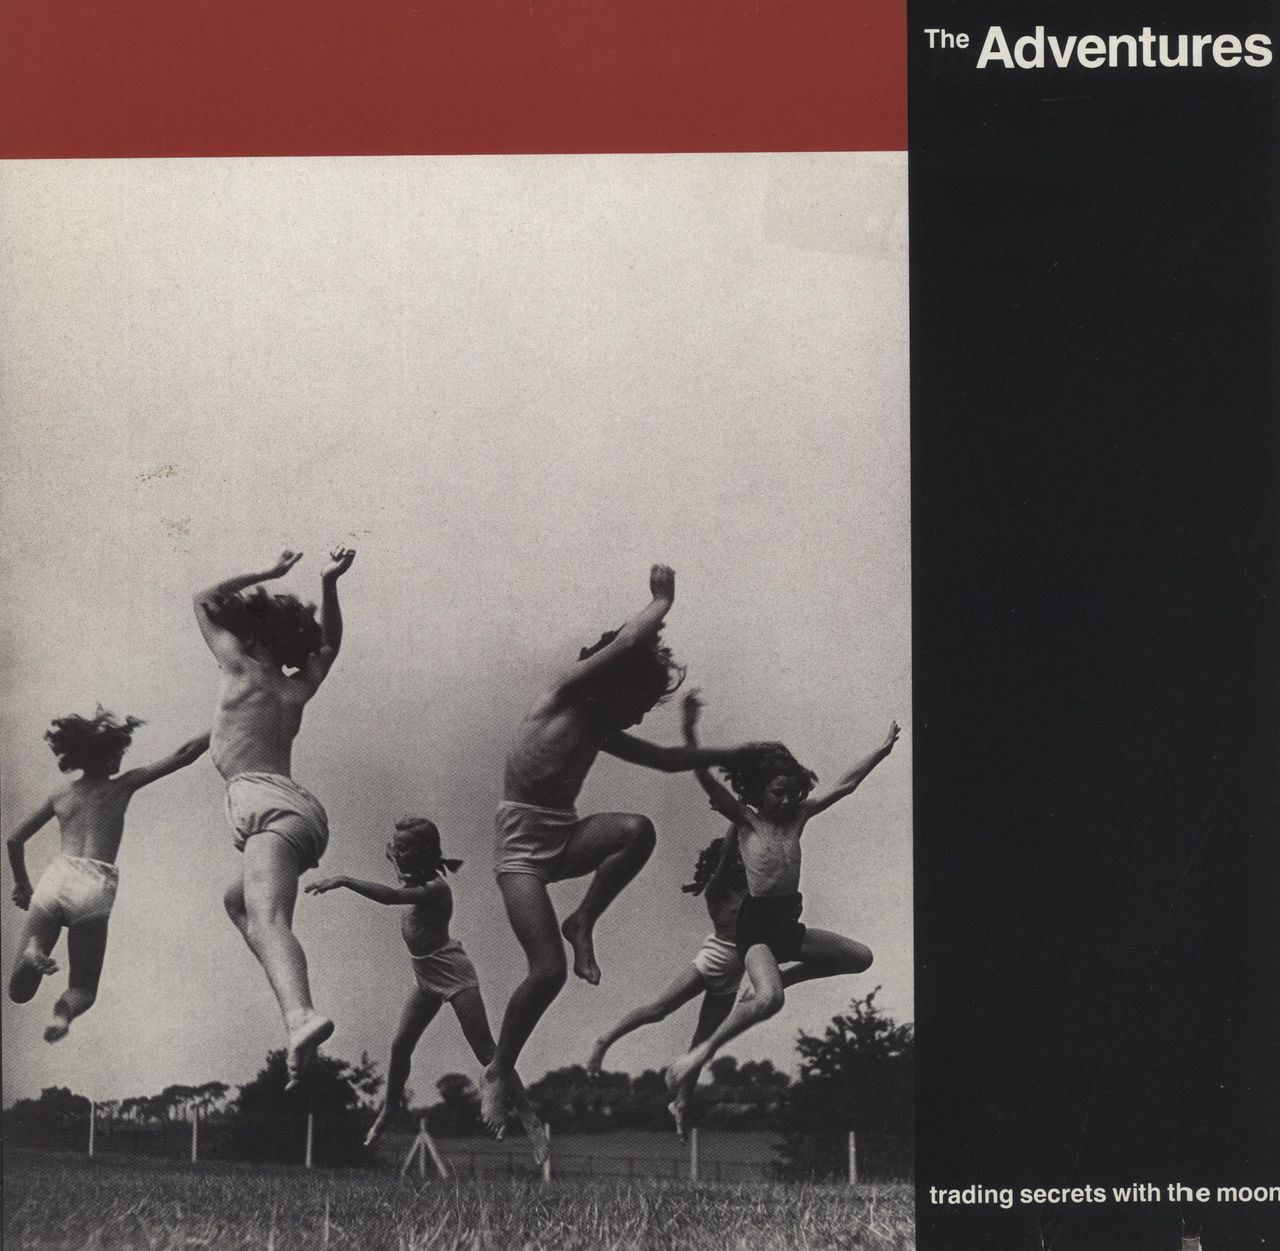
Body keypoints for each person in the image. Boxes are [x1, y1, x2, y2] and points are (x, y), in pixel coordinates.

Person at [482, 564, 762, 1132]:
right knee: (547, 972)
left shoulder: (600, 729)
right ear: (612, 683)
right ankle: (498, 1072)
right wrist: (661, 602)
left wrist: (738, 752)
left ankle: (583, 919)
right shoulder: (562, 695)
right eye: (637, 704)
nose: (638, 716)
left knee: (638, 830)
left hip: (565, 835)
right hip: (520, 852)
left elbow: (667, 760)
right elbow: (630, 643)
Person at [664, 692, 899, 1111]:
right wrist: (689, 730)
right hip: (755, 928)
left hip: (788, 923)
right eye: (778, 793)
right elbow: (705, 778)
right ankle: (699, 1054)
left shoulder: (799, 817)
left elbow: (846, 784)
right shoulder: (746, 821)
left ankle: (780, 979)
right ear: (759, 792)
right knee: (770, 1000)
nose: (787, 801)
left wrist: (881, 751)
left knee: (860, 958)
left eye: (793, 793)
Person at [194, 545, 354, 1089]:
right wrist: (329, 583)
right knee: (238, 903)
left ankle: (300, 1014)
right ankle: (296, 1017)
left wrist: (270, 571)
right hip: (296, 811)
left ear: (257, 635)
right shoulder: (293, 685)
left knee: (268, 920)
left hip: (268, 809)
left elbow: (204, 598)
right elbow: (328, 646)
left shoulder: (239, 666)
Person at [305, 816, 550, 1163]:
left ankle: (529, 1119)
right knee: (400, 1046)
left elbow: (391, 898)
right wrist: (396, 849)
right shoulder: (412, 873)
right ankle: (389, 1109)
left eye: (404, 848)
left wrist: (344, 880)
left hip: (452, 971)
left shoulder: (436, 888)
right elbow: (396, 859)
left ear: (422, 854)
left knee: (487, 1050)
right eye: (396, 848)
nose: (396, 853)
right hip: (425, 975)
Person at [6, 707, 208, 1041]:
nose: (122, 759)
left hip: (56, 877)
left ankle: (34, 954)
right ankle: (62, 1014)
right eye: (119, 753)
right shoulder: (123, 786)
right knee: (84, 988)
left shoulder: (60, 795)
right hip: (93, 885)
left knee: (19, 992)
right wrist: (228, 719)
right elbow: (184, 754)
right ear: (104, 755)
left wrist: (22, 883)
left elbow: (14, 840)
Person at [586, 826, 748, 1134]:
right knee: (659, 1009)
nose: (743, 863)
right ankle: (604, 1041)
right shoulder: (717, 888)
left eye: (745, 859)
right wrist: (737, 817)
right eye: (737, 859)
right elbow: (728, 853)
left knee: (702, 1044)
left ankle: (681, 1101)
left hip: (732, 976)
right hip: (712, 959)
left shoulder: (754, 888)